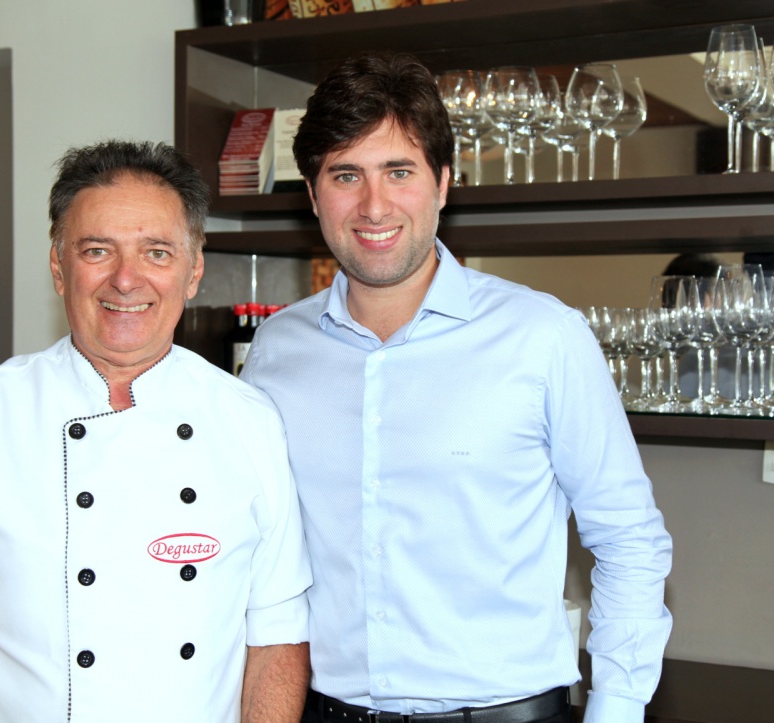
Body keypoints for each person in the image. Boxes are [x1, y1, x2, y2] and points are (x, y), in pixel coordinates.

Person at [241, 52, 672, 723]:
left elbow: (629, 538)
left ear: (443, 183)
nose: (374, 204)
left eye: (400, 171)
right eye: (346, 175)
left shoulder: (543, 336)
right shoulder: (275, 349)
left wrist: (616, 708)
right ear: (314, 194)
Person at [0, 140, 312, 722]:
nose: (126, 279)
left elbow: (276, 629)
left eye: (157, 252)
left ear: (193, 271)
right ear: (58, 267)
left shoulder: (249, 421)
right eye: (97, 250)